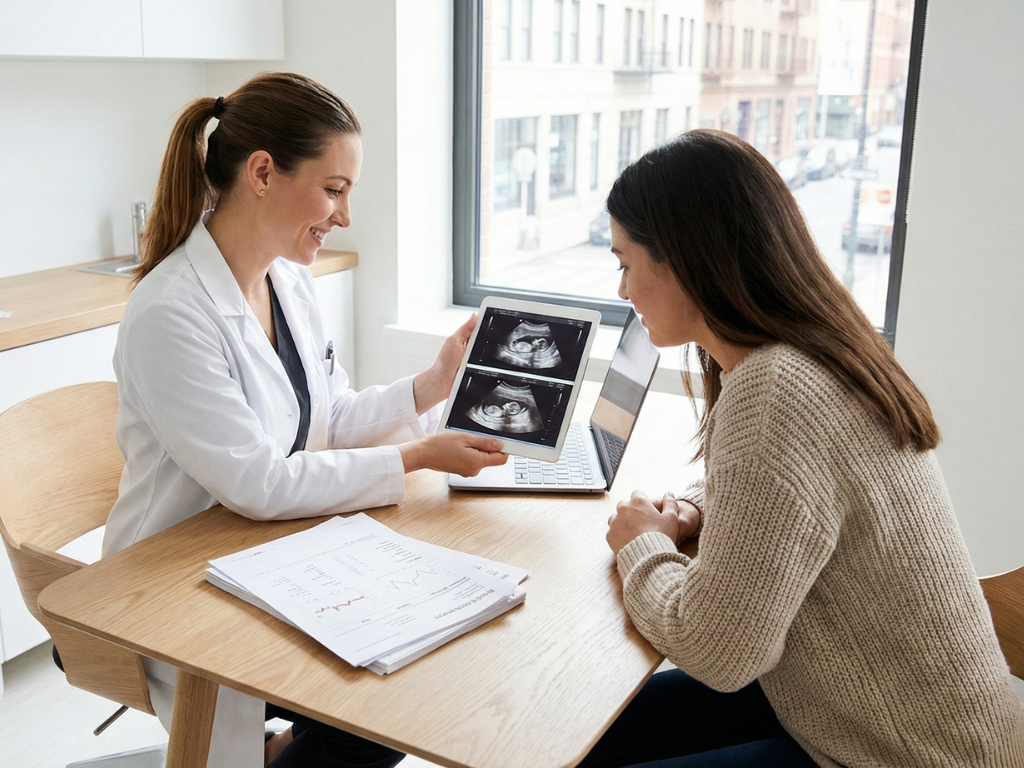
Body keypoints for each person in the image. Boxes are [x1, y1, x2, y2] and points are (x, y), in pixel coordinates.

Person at [101, 72, 507, 768]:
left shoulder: (287, 279)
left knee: (412, 667)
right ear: (262, 173)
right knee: (379, 699)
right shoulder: (171, 313)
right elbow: (258, 483)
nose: (344, 216)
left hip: (269, 549)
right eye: (334, 189)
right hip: (169, 579)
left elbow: (328, 419)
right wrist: (416, 456)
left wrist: (430, 385)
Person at [582, 130, 1024, 767]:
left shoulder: (773, 391)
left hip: (900, 755)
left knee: (581, 739)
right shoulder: (812, 354)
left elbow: (717, 653)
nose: (622, 290)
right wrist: (696, 507)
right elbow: (789, 492)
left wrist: (643, 547)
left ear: (682, 259)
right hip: (871, 714)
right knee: (584, 731)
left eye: (625, 264)